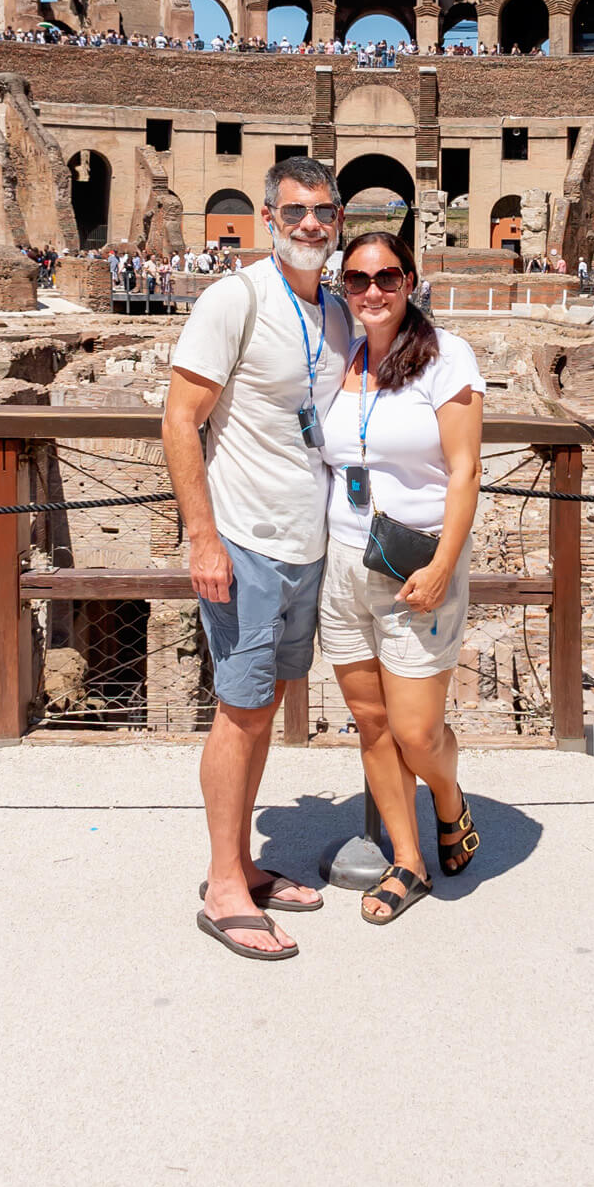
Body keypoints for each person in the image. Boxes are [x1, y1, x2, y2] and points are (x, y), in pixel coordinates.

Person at [163, 158, 352, 962]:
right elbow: (180, 419)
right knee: (239, 709)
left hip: (307, 541)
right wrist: (202, 536)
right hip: (244, 540)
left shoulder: (339, 312)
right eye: (296, 211)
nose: (311, 224)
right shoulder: (232, 299)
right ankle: (223, 888)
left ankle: (242, 860)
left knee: (267, 704)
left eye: (324, 211)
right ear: (270, 219)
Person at [318, 230, 484, 924]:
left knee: (418, 734)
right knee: (372, 722)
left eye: (387, 276)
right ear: (344, 288)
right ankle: (407, 861)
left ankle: (449, 798)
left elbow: (466, 470)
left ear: (410, 280)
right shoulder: (340, 357)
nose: (373, 291)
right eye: (357, 279)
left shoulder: (446, 359)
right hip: (343, 564)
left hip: (417, 566)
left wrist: (446, 561)